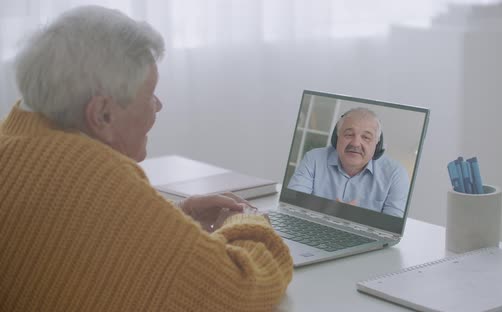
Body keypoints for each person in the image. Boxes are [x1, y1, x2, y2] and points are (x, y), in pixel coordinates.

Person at [0, 6, 292, 311]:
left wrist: (169, 217)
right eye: (150, 94)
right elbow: (241, 291)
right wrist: (248, 222)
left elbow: (83, 234)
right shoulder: (96, 178)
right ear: (102, 114)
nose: (158, 105)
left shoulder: (14, 141)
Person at [288, 108, 410, 217]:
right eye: (349, 134)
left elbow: (390, 228)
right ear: (337, 138)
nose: (356, 143)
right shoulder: (313, 158)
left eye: (366, 137)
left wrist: (356, 217)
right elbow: (292, 206)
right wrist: (329, 212)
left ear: (377, 144)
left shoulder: (395, 174)